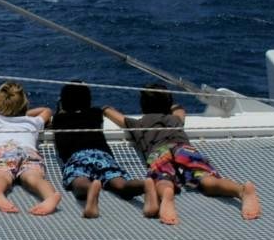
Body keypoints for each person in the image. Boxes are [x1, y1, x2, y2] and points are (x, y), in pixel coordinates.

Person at [106, 83, 261, 225]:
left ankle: (167, 193)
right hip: (183, 148)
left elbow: (114, 115)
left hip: (159, 152)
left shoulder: (138, 124)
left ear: (142, 106)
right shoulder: (174, 119)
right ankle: (240, 190)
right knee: (207, 179)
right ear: (168, 105)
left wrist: (105, 108)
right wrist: (169, 103)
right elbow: (179, 108)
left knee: (163, 180)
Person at [0, 81, 61, 215]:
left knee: (0, 175)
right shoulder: (33, 121)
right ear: (25, 104)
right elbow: (47, 111)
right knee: (34, 178)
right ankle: (50, 196)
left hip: (4, 152)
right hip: (28, 152)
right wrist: (25, 114)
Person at [49, 82, 144, 218]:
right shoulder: (95, 114)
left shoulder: (58, 119)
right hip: (102, 155)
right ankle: (144, 185)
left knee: (78, 180)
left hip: (77, 156)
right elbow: (101, 110)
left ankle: (90, 188)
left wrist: (59, 108)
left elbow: (54, 118)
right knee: (119, 182)